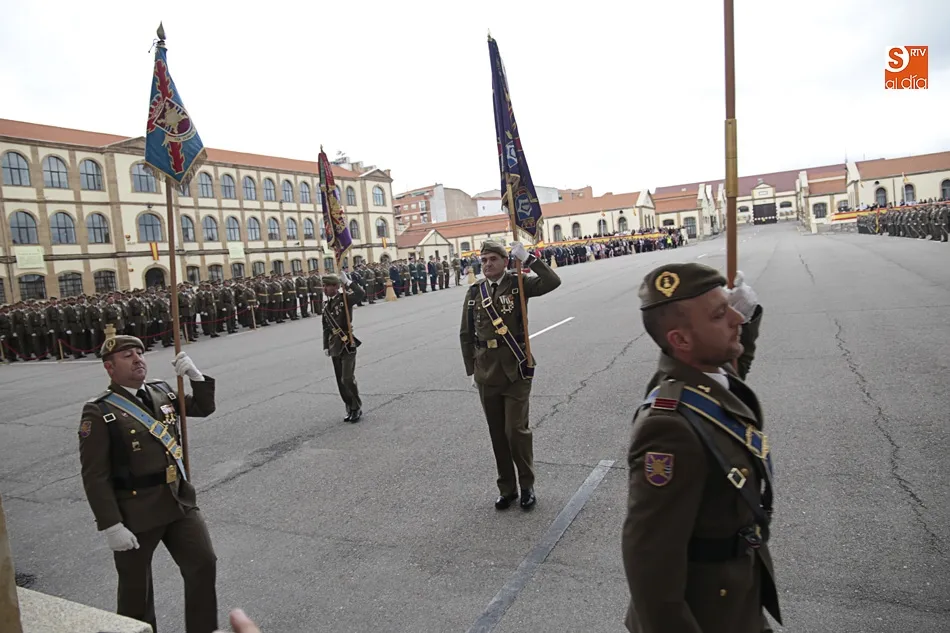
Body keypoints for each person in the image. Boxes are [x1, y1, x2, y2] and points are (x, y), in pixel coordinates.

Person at [621, 263, 781, 633]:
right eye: (720, 314)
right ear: (681, 340)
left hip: (740, 594)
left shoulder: (709, 375)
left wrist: (744, 319)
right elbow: (650, 564)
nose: (736, 318)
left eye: (731, 307)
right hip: (710, 614)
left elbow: (736, 368)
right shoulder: (668, 430)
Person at [78, 335, 219, 633]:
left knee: (203, 564)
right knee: (136, 592)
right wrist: (111, 525)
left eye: (139, 353)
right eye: (127, 355)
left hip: (178, 501)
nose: (137, 359)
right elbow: (95, 475)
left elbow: (202, 407)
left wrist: (196, 377)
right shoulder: (100, 411)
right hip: (136, 512)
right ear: (109, 367)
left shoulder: (161, 391)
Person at [459, 240, 561, 510]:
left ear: (505, 261)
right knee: (497, 434)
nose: (487, 264)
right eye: (484, 260)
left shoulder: (519, 284)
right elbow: (466, 333)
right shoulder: (475, 291)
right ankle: (507, 489)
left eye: (493, 259)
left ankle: (527, 485)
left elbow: (553, 282)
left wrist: (528, 259)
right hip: (485, 371)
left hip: (515, 368)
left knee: (516, 431)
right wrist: (471, 369)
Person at [322, 271, 366, 422]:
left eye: (327, 286)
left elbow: (360, 294)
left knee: (347, 378)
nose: (324, 289)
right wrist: (325, 346)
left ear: (335, 286)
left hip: (347, 343)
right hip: (334, 346)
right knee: (340, 381)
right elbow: (326, 328)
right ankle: (350, 406)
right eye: (324, 286)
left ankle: (356, 406)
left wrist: (348, 282)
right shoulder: (326, 306)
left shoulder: (345, 299)